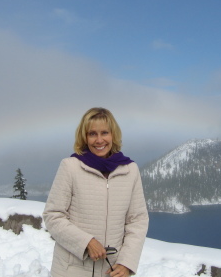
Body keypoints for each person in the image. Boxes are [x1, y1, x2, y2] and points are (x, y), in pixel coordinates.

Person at [43, 107, 149, 277]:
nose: (99, 140)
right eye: (92, 134)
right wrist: (87, 243)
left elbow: (137, 220)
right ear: (84, 137)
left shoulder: (130, 170)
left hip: (112, 270)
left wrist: (126, 263)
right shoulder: (70, 167)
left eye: (104, 133)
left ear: (113, 134)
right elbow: (53, 215)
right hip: (71, 270)